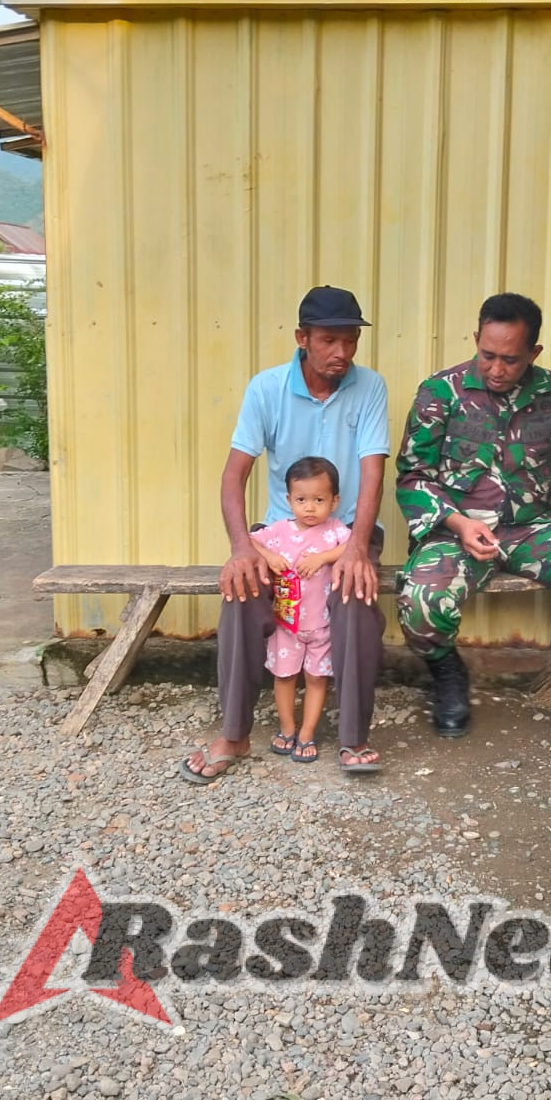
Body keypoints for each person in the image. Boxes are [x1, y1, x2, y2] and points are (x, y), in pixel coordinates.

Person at [395, 292, 551, 773]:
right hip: (457, 529)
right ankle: (448, 676)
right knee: (421, 600)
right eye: (488, 355)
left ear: (534, 354)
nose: (497, 368)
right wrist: (459, 524)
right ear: (476, 341)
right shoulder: (440, 392)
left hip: (534, 528)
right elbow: (412, 477)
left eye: (510, 358)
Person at [180, 286, 390, 783]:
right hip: (277, 533)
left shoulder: (370, 387)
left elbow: (374, 469)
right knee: (241, 590)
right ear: (302, 338)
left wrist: (358, 548)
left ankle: (354, 737)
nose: (341, 353)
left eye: (350, 341)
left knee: (355, 596)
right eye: (328, 341)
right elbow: (234, 475)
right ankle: (234, 732)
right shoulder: (266, 389)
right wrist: (240, 549)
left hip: (347, 531)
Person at [249, 456, 353, 766]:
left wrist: (323, 558)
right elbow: (248, 540)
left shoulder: (335, 531)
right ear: (289, 500)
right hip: (286, 626)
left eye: (318, 500)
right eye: (301, 500)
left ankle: (307, 733)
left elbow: (354, 546)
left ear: (334, 502)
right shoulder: (279, 531)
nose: (310, 508)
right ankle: (287, 728)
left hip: (321, 627)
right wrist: (268, 556)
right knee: (284, 677)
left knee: (317, 680)